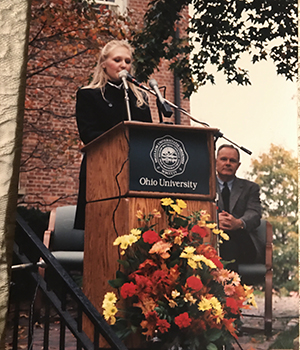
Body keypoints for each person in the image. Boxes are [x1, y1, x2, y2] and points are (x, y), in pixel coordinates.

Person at [74, 40, 152, 230]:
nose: (123, 65)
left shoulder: (140, 97)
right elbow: (89, 134)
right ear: (103, 63)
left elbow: (149, 135)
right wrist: (122, 141)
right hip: (102, 170)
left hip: (135, 172)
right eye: (117, 60)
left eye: (127, 61)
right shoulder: (89, 95)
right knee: (102, 230)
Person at [216, 144, 262, 271]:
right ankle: (231, 288)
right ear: (215, 162)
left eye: (233, 160)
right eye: (224, 159)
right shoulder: (204, 186)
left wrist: (238, 222)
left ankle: (226, 288)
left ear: (238, 165)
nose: (228, 163)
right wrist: (215, 221)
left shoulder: (250, 188)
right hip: (212, 241)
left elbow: (254, 213)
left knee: (229, 243)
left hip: (243, 244)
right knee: (225, 244)